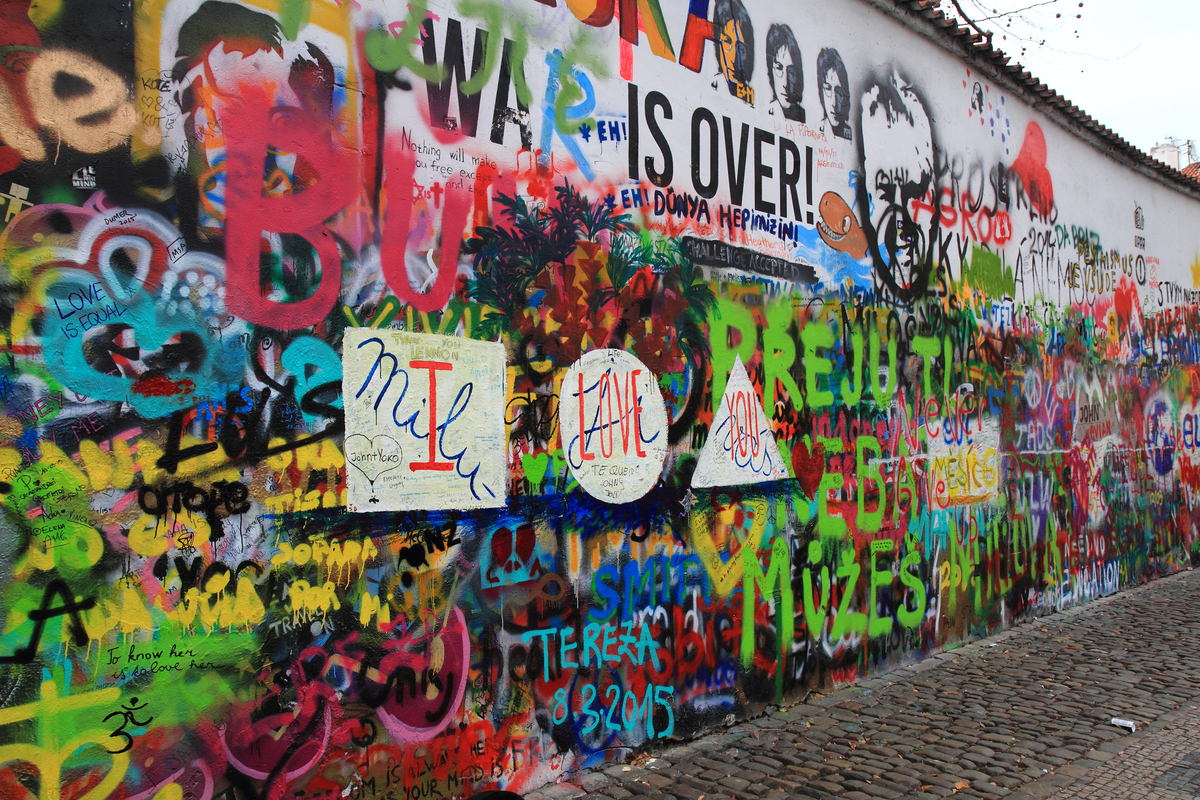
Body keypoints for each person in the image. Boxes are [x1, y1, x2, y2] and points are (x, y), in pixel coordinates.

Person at [710, 0, 754, 104]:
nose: (734, 58)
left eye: (741, 48)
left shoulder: (749, 95)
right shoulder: (714, 83)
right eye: (727, 42)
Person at [765, 24, 803, 122]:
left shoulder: (803, 116)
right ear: (771, 69)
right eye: (779, 68)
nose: (785, 83)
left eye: (791, 72)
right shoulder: (767, 109)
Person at [816, 48, 851, 141]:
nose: (834, 103)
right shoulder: (818, 128)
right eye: (828, 88)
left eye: (839, 92)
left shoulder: (848, 133)